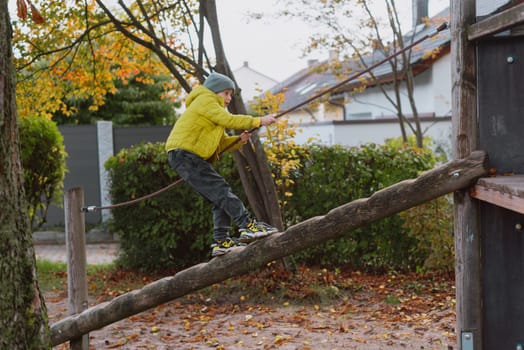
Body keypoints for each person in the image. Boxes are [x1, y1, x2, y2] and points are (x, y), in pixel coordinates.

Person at [166, 72, 279, 257]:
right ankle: (247, 225)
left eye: (230, 95)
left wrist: (239, 139)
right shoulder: (206, 100)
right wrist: (258, 120)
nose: (228, 98)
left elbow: (221, 143)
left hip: (186, 156)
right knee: (221, 190)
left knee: (218, 197)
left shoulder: (213, 111)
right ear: (214, 90)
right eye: (225, 93)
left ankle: (221, 241)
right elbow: (230, 120)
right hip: (185, 154)